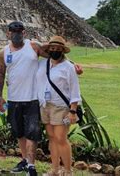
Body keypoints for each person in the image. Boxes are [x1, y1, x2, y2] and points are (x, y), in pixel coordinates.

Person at [0, 21, 82, 174]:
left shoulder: (34, 47)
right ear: (8, 33)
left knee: (38, 134)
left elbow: (58, 58)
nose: (16, 34)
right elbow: (1, 74)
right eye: (12, 31)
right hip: (23, 100)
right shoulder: (5, 53)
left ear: (24, 33)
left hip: (36, 100)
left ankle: (41, 167)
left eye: (19, 31)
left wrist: (73, 65)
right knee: (23, 133)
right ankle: (36, 163)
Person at [36, 36, 81, 176]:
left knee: (61, 138)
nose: (55, 51)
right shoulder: (43, 63)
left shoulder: (69, 67)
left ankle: (68, 171)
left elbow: (75, 90)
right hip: (45, 105)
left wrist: (73, 111)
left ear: (63, 51)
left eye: (58, 49)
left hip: (61, 106)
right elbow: (34, 45)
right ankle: (54, 169)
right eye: (52, 48)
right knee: (51, 137)